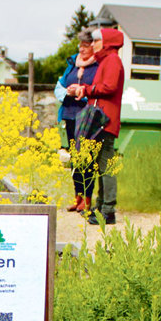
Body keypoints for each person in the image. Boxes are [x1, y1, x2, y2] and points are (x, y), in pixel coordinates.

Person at [74, 28, 125, 225]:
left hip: (106, 120)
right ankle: (101, 206)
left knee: (105, 165)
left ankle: (108, 209)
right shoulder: (107, 60)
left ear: (108, 42)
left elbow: (109, 87)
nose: (93, 45)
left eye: (96, 41)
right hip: (103, 119)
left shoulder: (112, 60)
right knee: (101, 165)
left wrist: (86, 89)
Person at [54, 29, 99, 212]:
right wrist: (68, 93)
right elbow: (59, 86)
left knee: (86, 159)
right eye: (80, 45)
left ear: (93, 47)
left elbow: (99, 91)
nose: (81, 49)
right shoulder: (73, 63)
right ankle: (77, 197)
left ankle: (87, 199)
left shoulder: (98, 66)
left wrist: (81, 92)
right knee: (74, 159)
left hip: (87, 117)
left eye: (86, 46)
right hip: (70, 115)